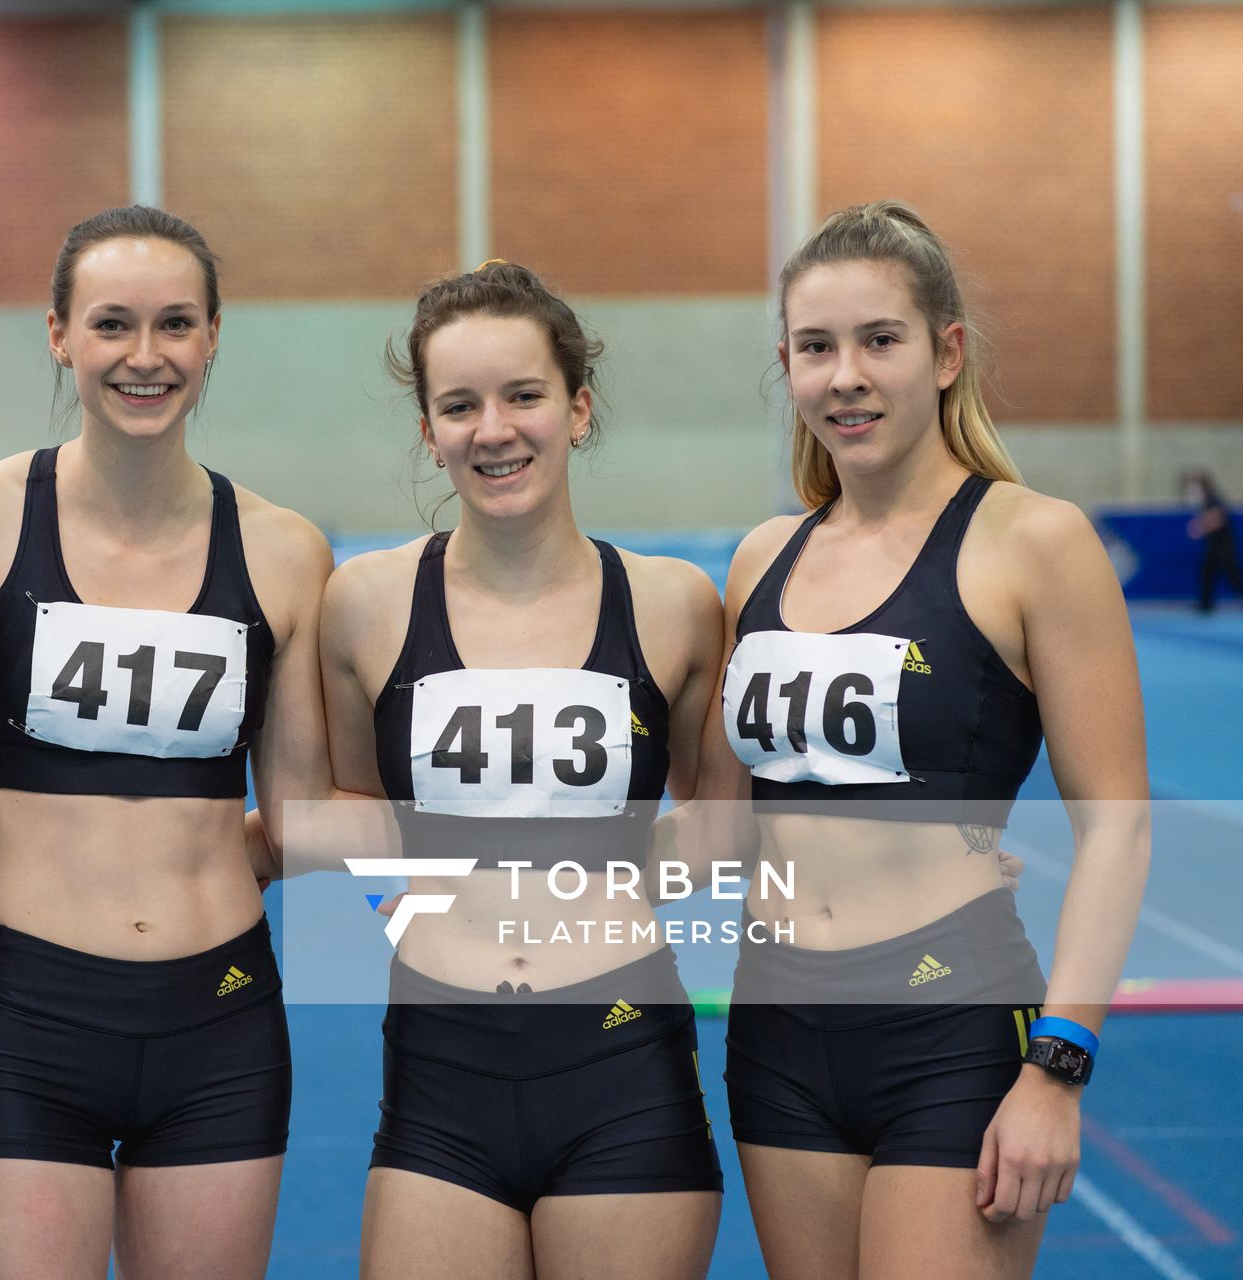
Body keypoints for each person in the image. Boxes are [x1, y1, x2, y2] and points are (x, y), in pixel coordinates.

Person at [712, 201, 1149, 1278]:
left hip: (946, 1025)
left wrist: (1057, 1064)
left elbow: (1119, 825)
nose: (845, 374)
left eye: (880, 339)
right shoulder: (763, 557)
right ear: (787, 364)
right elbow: (718, 825)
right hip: (776, 1032)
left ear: (946, 352)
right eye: (816, 347)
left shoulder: (1032, 541)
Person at [0, 205, 332, 1280]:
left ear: (212, 337)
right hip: (33, 1013)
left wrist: (182, 852)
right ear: (58, 334)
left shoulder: (286, 552)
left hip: (222, 1019)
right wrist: (51, 849)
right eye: (111, 325)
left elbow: (294, 822)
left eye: (174, 325)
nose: (144, 357)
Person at [317, 261, 725, 1279]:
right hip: (438, 1067)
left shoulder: (673, 604)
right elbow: (345, 807)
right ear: (428, 429)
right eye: (459, 405)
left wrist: (606, 881)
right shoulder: (364, 604)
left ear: (578, 407)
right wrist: (419, 911)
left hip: (621, 1055)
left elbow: (724, 824)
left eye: (524, 395)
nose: (492, 428)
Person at [1182, 469, 1243, 612]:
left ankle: (1206, 604)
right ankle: (1205, 605)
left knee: (1234, 577)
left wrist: (1200, 527)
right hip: (1212, 547)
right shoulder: (1204, 502)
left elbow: (1218, 519)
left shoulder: (1213, 499)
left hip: (1223, 548)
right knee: (1206, 574)